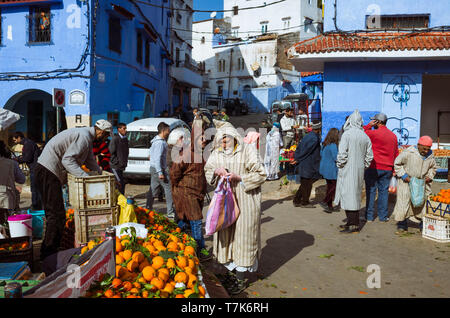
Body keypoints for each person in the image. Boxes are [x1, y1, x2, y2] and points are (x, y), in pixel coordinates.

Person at [204, 120, 266, 295]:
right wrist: (216, 172)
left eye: (226, 140)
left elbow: (261, 173)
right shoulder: (217, 153)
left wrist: (240, 177)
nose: (224, 144)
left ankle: (239, 278)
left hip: (246, 201)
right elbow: (208, 170)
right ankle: (229, 274)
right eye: (221, 141)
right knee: (226, 238)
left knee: (243, 238)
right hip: (224, 204)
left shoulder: (248, 151)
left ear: (234, 137)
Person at [35, 120, 111, 260]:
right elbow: (67, 160)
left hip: (48, 172)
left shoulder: (86, 138)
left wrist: (103, 174)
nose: (105, 139)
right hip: (48, 171)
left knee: (56, 214)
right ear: (100, 132)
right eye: (106, 136)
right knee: (56, 215)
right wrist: (84, 178)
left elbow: (90, 161)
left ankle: (50, 251)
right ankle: (48, 254)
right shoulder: (83, 137)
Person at [169, 120, 211, 261]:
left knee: (184, 221)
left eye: (205, 137)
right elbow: (174, 173)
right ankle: (201, 249)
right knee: (196, 220)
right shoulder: (185, 153)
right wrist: (178, 188)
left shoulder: (202, 154)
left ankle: (171, 239)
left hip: (198, 193)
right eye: (201, 138)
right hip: (187, 193)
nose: (204, 140)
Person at [334, 110, 373, 234]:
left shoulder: (347, 134)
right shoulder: (365, 136)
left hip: (347, 169)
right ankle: (350, 222)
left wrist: (340, 164)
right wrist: (363, 166)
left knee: (348, 195)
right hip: (359, 170)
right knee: (354, 195)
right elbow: (369, 156)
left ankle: (353, 224)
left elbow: (342, 153)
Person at [392, 136, 436, 234]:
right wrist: (404, 176)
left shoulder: (430, 155)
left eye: (428, 149)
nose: (426, 151)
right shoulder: (408, 152)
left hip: (422, 184)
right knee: (404, 203)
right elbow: (397, 164)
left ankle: (422, 224)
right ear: (418, 145)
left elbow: (433, 168)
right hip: (407, 182)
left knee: (422, 204)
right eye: (424, 149)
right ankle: (402, 224)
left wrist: (429, 176)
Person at [363, 113, 399, 222]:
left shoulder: (372, 133)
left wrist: (368, 125)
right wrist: (394, 169)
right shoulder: (393, 136)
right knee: (383, 193)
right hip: (387, 168)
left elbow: (361, 133)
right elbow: (396, 154)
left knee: (371, 191)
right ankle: (383, 217)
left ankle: (369, 217)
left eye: (374, 121)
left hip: (373, 167)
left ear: (377, 122)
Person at [146, 122, 175, 219]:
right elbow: (157, 158)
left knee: (153, 189)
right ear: (163, 131)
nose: (169, 132)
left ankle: (147, 209)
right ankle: (170, 212)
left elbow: (150, 154)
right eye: (168, 130)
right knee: (168, 189)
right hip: (159, 169)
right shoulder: (159, 143)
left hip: (154, 168)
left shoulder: (156, 141)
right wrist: (160, 172)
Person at [292, 122, 322, 208]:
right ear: (319, 129)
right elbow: (306, 151)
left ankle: (297, 200)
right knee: (307, 184)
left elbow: (299, 147)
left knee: (305, 184)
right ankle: (304, 202)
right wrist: (297, 159)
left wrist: (297, 157)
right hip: (308, 164)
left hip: (305, 163)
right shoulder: (314, 138)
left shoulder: (308, 136)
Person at [12, 131, 42, 210]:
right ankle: (37, 205)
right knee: (36, 189)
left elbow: (27, 158)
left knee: (35, 189)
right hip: (34, 168)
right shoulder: (27, 143)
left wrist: (17, 159)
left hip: (35, 169)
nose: (15, 142)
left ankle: (36, 206)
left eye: (15, 140)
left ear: (19, 138)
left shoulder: (28, 144)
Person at [0, 141, 26, 225]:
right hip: (6, 200)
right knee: (7, 226)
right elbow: (22, 179)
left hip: (6, 199)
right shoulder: (12, 163)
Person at [319, 128, 340, 213]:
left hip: (324, 167)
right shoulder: (333, 145)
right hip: (331, 169)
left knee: (329, 187)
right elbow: (336, 158)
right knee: (334, 187)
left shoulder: (324, 144)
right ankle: (325, 201)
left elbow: (321, 154)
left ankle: (329, 206)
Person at [109, 123, 129, 194]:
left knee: (122, 183)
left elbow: (126, 152)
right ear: (119, 129)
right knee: (119, 183)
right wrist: (116, 162)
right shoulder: (115, 139)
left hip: (121, 166)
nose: (125, 130)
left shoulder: (125, 139)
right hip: (115, 166)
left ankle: (121, 199)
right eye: (124, 128)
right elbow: (111, 151)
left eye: (125, 128)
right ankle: (119, 200)